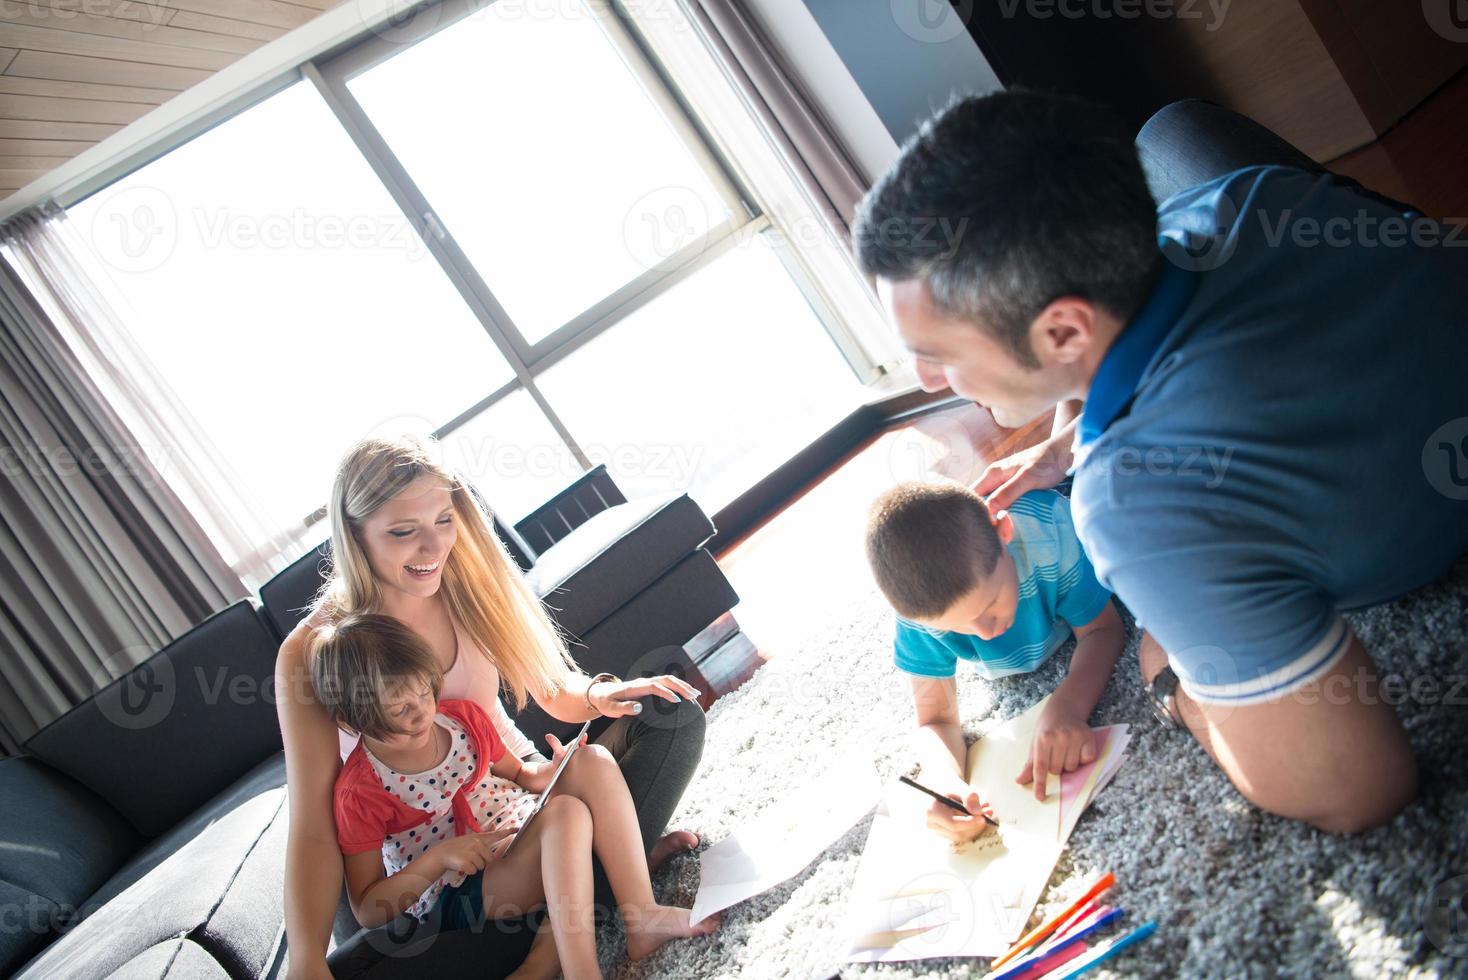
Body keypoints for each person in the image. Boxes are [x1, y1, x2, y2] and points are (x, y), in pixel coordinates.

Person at [853, 89, 1468, 834]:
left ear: (1063, 331)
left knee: (1160, 647)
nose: (924, 380)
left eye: (939, 353)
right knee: (1173, 133)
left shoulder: (1133, 504)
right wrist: (1066, 441)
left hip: (1424, 527)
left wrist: (1164, 678)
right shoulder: (1252, 196)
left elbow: (1359, 789)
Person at [274, 434, 708, 980]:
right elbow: (313, 828)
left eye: (443, 520)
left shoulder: (467, 577)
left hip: (523, 807)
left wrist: (601, 695)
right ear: (354, 535)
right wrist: (305, 960)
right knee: (379, 965)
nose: (433, 549)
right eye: (404, 533)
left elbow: (554, 690)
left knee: (669, 719)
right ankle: (610, 880)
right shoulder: (314, 651)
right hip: (433, 876)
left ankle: (606, 895)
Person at [310, 613, 718, 978]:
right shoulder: (360, 791)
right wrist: (439, 859)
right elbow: (367, 906)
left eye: (424, 692)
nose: (421, 712)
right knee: (568, 816)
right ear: (352, 720)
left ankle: (640, 913)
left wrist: (559, 767)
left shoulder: (459, 719)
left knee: (591, 760)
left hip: (525, 832)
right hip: (464, 889)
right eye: (400, 711)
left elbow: (522, 774)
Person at [865, 480, 1124, 841]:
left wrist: (1068, 706)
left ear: (1003, 532)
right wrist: (942, 777)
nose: (984, 632)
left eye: (990, 605)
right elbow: (935, 719)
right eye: (957, 627)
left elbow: (1103, 631)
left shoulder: (1052, 535)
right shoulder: (918, 618)